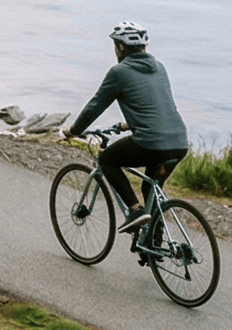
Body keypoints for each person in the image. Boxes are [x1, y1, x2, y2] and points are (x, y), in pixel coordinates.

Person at [66, 24, 189, 241]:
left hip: (151, 143)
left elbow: (95, 105)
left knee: (107, 160)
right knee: (151, 187)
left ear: (121, 47)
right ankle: (154, 242)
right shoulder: (159, 67)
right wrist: (128, 125)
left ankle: (135, 210)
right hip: (179, 142)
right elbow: (156, 107)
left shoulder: (119, 72)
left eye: (115, 45)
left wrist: (74, 131)